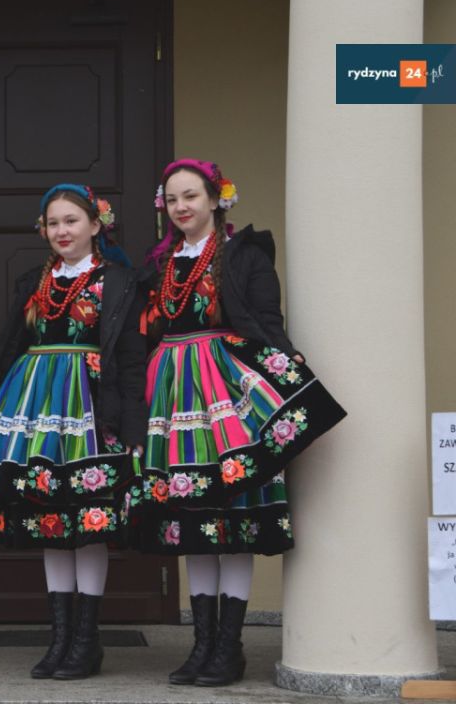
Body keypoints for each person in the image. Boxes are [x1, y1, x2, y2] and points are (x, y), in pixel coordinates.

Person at [136, 159, 346, 686]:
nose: (181, 207)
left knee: (233, 517)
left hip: (224, 393)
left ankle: (229, 649)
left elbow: (267, 319)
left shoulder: (243, 254)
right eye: (172, 199)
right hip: (173, 394)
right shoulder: (159, 265)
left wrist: (287, 365)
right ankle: (202, 647)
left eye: (191, 196)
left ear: (215, 199)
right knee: (193, 518)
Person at [0, 184, 147, 680]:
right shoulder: (33, 282)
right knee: (51, 520)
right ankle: (61, 639)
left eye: (71, 221)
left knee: (88, 521)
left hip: (91, 411)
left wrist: (133, 426)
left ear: (95, 225)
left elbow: (131, 359)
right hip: (34, 410)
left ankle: (87, 641)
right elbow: (6, 349)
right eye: (53, 223)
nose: (62, 231)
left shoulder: (120, 282)